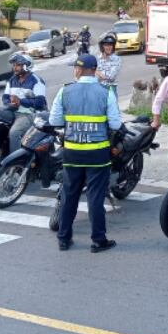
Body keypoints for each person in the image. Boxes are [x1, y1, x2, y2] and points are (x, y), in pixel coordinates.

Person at [50, 54, 122, 253]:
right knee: (95, 198)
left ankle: (64, 238)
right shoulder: (105, 92)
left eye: (76, 67)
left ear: (81, 70)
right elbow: (115, 123)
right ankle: (98, 240)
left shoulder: (65, 91)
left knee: (69, 195)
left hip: (72, 152)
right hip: (98, 154)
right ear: (94, 70)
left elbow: (54, 121)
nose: (75, 70)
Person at [2, 53, 47, 153]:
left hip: (29, 113)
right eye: (14, 65)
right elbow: (5, 97)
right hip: (13, 110)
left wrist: (21, 101)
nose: (14, 68)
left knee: (14, 133)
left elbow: (40, 103)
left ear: (26, 66)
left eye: (18, 65)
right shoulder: (12, 80)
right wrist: (9, 103)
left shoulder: (36, 81)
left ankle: (15, 163)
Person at [97, 32, 121, 97]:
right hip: (98, 88)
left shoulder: (116, 59)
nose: (109, 47)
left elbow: (111, 77)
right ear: (102, 46)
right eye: (106, 45)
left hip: (110, 89)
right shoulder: (98, 58)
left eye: (111, 45)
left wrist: (97, 72)